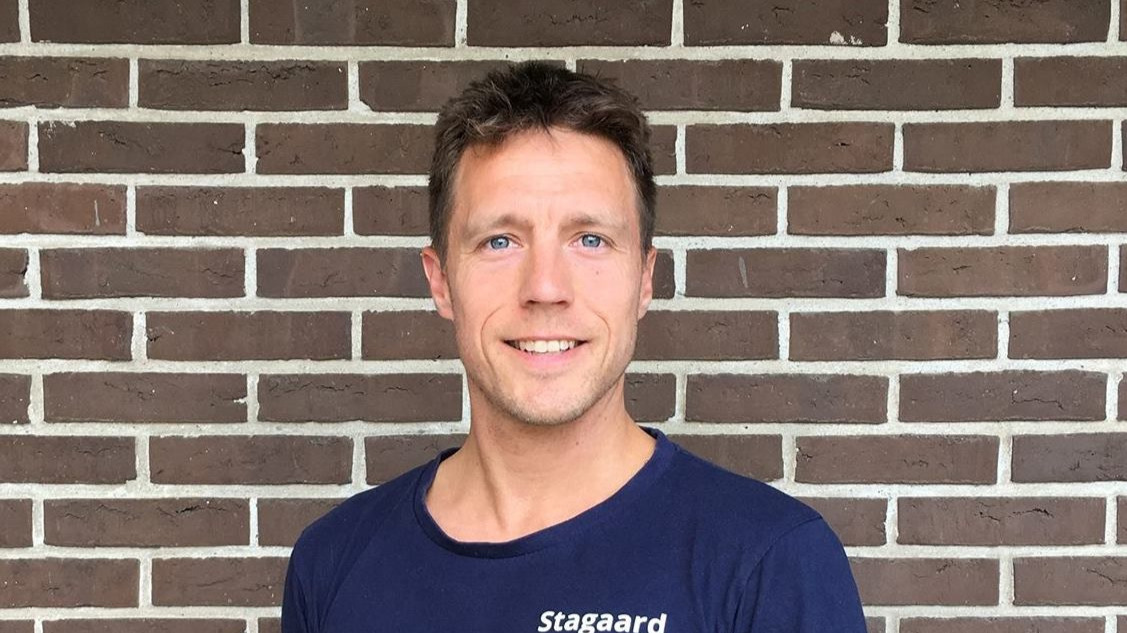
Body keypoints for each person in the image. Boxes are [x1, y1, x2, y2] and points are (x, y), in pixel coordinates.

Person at [281, 61, 867, 633]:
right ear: (441, 282)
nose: (545, 288)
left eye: (590, 239)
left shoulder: (770, 565)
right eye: (500, 241)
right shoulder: (331, 563)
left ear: (644, 278)